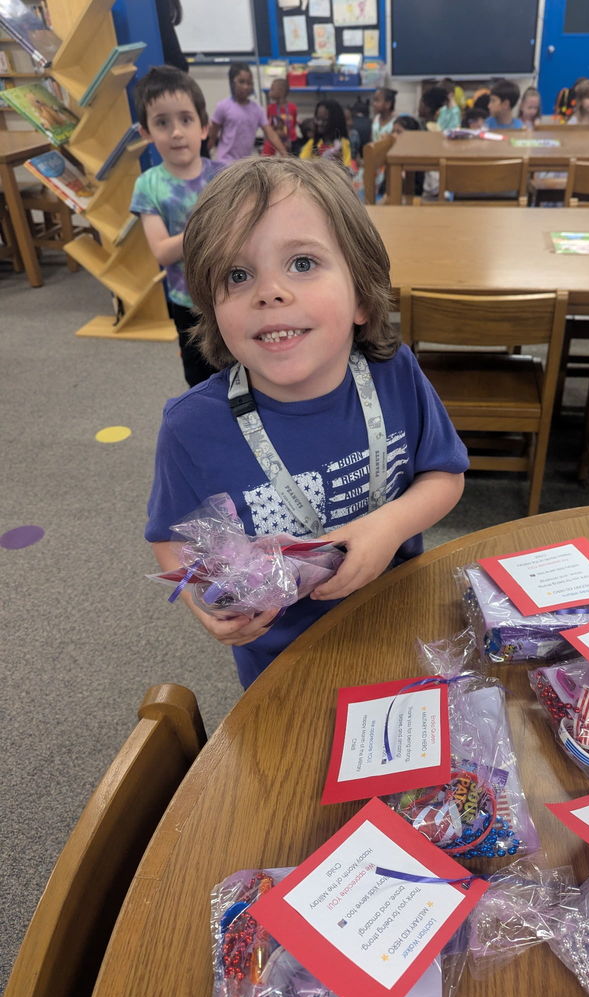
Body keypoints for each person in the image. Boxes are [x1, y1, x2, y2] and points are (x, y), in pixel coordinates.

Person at [145, 157, 468, 688]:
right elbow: (171, 538)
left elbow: (445, 476)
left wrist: (387, 525)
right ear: (213, 310)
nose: (269, 292)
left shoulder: (394, 374)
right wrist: (204, 601)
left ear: (363, 294)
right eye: (238, 274)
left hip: (400, 623)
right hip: (282, 665)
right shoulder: (190, 428)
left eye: (301, 263)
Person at [131, 65, 223, 387]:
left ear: (203, 127)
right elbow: (162, 251)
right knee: (200, 380)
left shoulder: (224, 177)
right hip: (187, 305)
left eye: (186, 119)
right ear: (145, 132)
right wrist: (212, 229)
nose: (176, 132)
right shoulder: (148, 186)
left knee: (247, 371)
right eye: (162, 123)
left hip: (233, 294)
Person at [209, 62, 287, 164]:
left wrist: (285, 154)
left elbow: (270, 133)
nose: (245, 87)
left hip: (244, 164)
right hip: (224, 162)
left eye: (249, 83)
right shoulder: (223, 106)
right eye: (241, 82)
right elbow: (213, 134)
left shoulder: (257, 109)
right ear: (232, 82)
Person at [299, 99, 354, 168]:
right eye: (318, 119)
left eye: (324, 120)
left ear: (335, 121)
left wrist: (339, 163)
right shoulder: (313, 143)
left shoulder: (343, 144)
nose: (320, 123)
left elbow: (347, 168)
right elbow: (301, 164)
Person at [263, 77, 297, 156]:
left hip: (289, 141)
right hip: (273, 141)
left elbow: (294, 124)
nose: (270, 92)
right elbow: (266, 126)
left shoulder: (293, 108)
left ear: (281, 91)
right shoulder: (270, 108)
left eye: (272, 89)